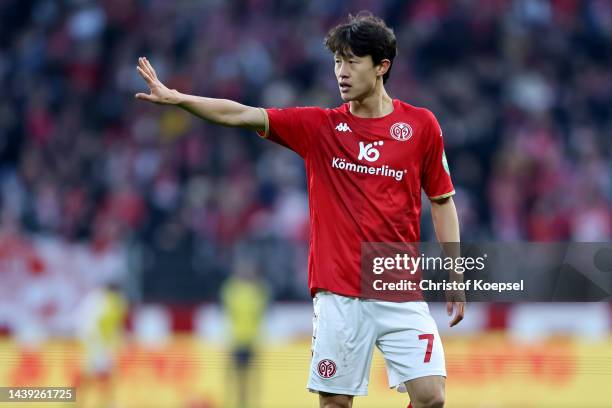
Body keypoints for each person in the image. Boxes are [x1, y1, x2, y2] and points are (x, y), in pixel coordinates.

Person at [135, 12, 464, 408]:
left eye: (351, 62)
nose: (340, 72)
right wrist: (179, 99)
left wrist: (455, 273)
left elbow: (442, 201)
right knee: (335, 404)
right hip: (339, 296)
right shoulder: (319, 127)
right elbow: (242, 114)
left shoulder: (420, 126)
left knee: (432, 397)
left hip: (399, 290)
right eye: (337, 62)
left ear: (382, 67)